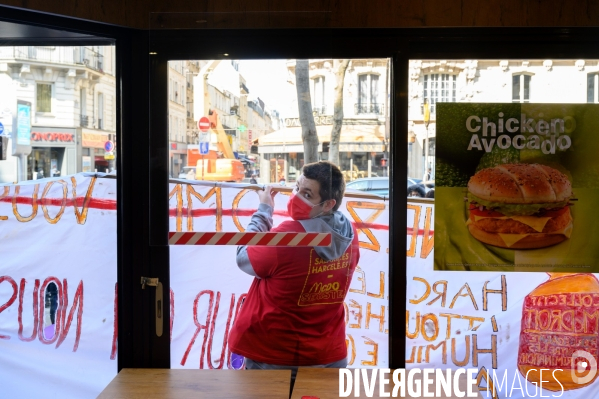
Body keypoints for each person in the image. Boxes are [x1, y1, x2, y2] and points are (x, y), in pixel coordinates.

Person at [228, 161, 360, 384]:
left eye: (307, 194)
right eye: (297, 187)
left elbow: (244, 256)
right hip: (328, 354)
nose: (296, 196)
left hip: (274, 354)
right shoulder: (349, 234)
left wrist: (264, 210)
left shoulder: (288, 236)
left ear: (328, 204)